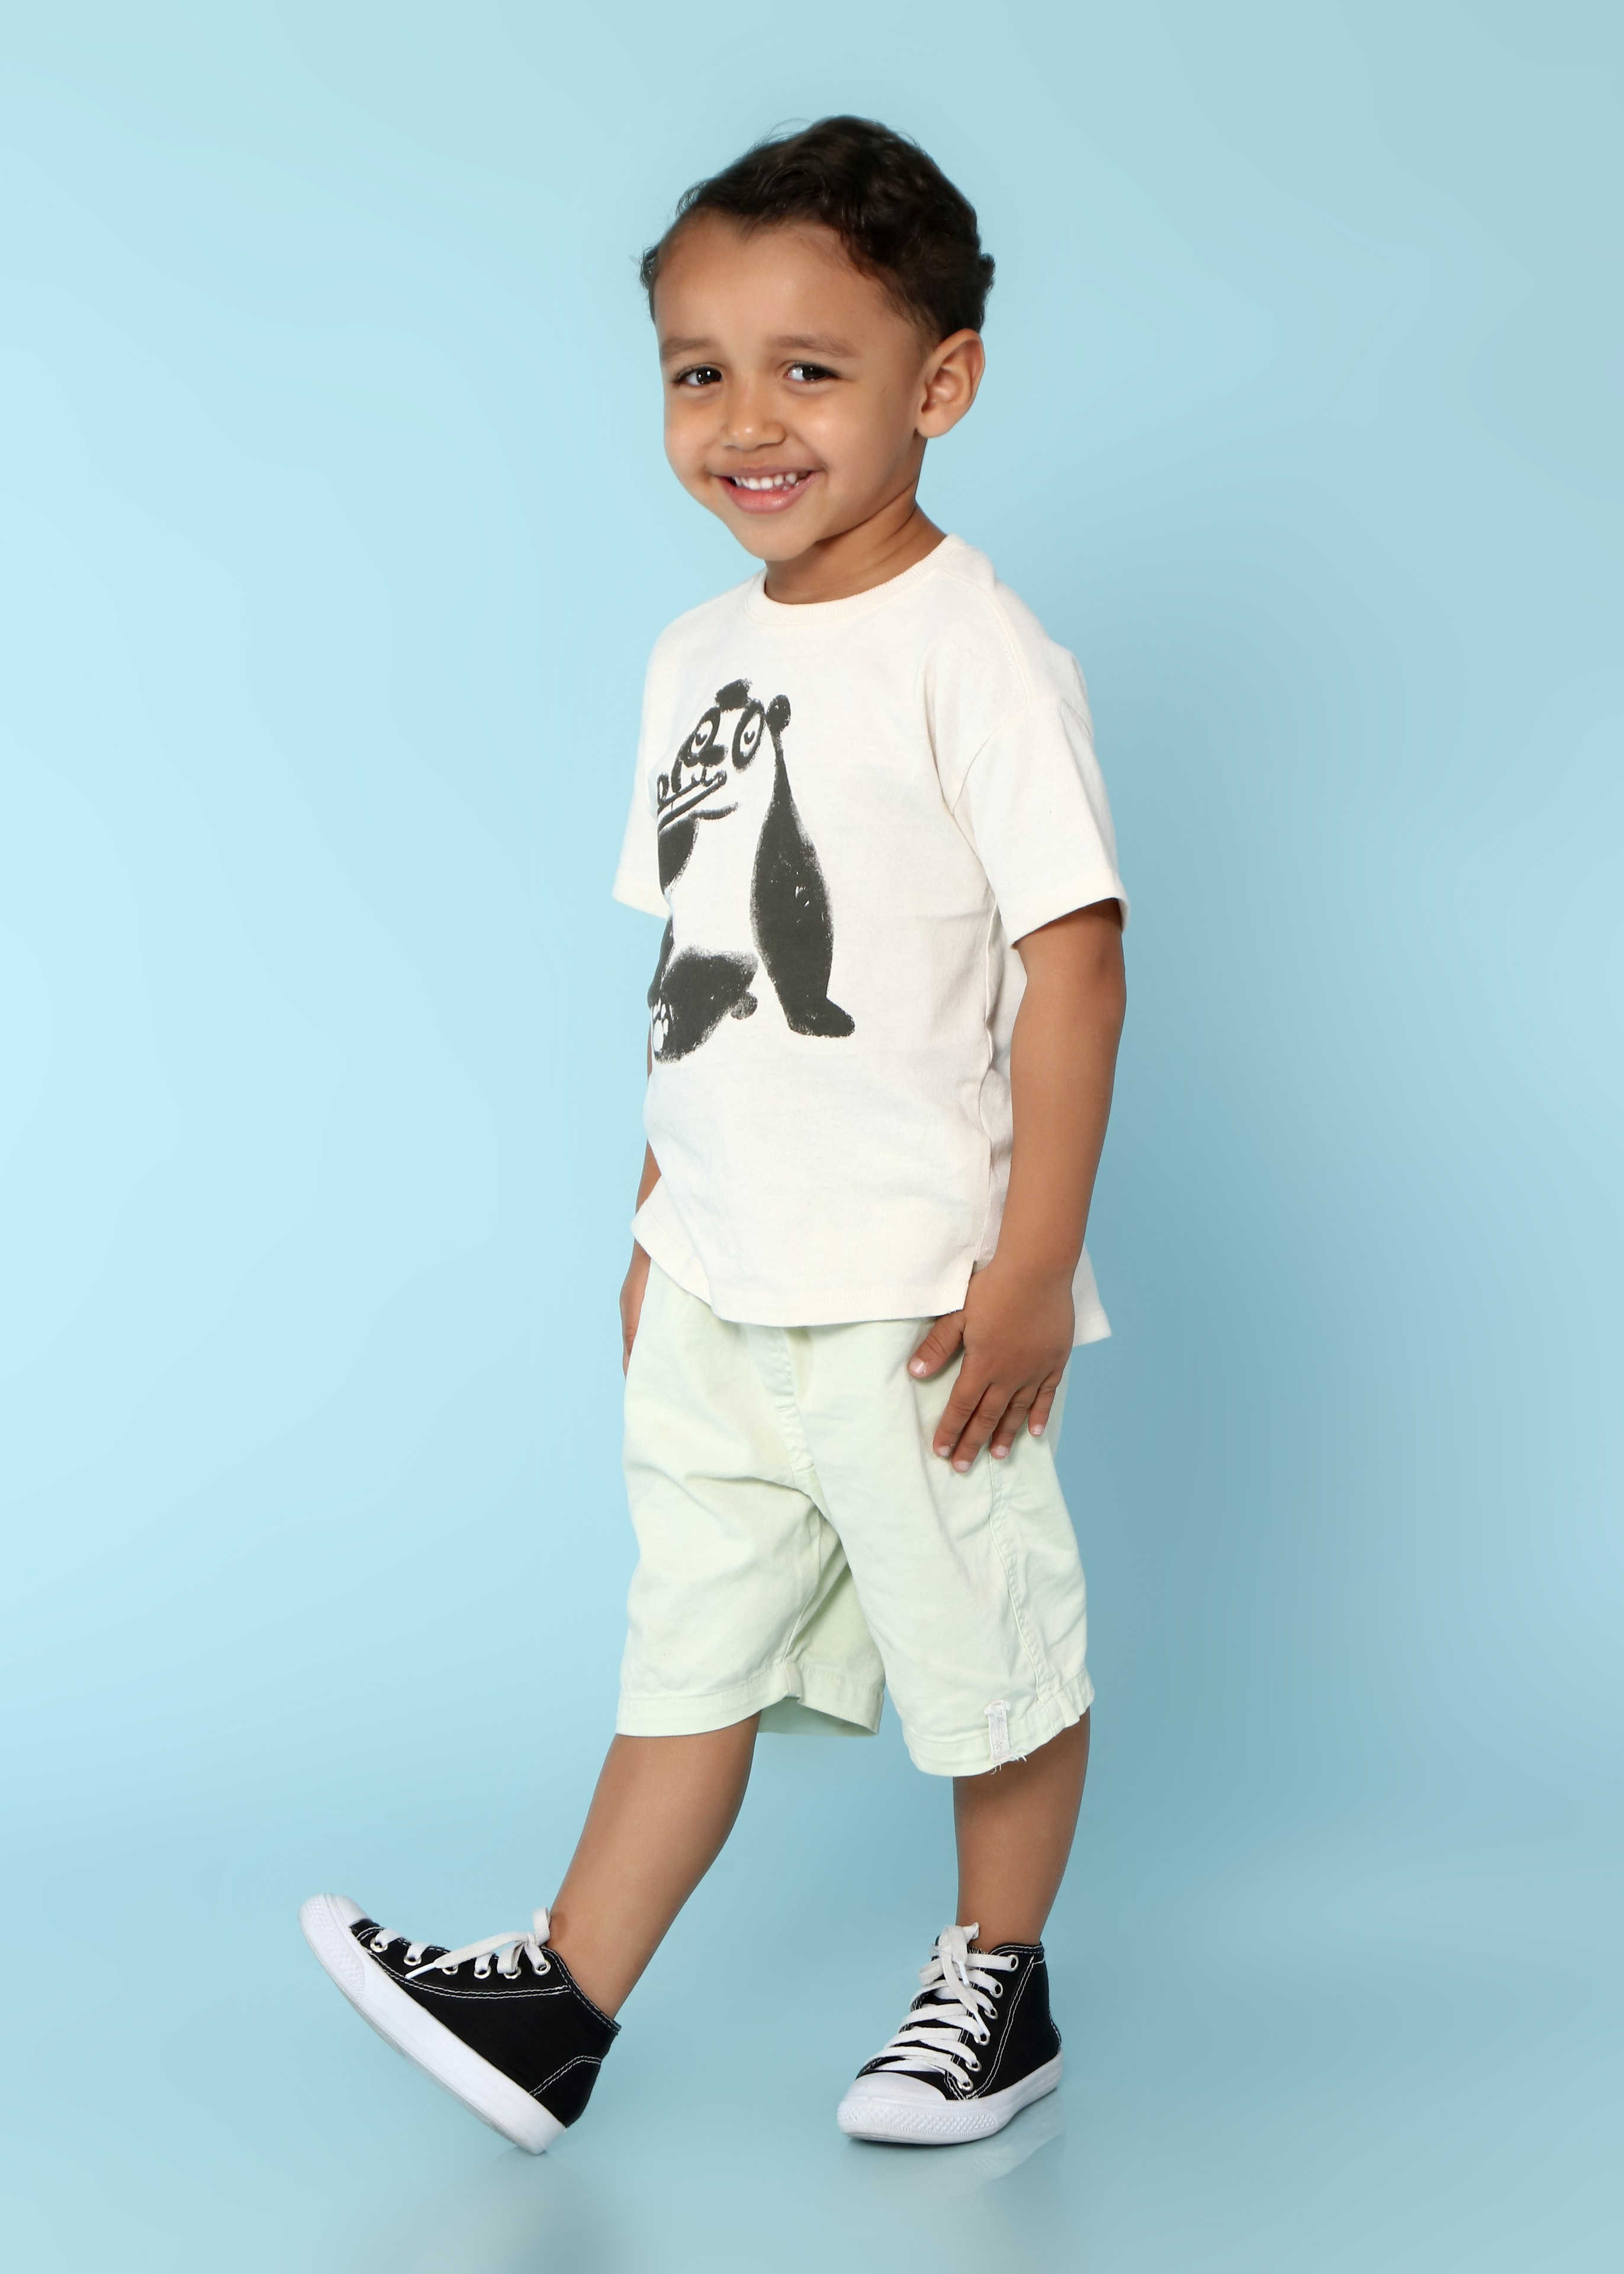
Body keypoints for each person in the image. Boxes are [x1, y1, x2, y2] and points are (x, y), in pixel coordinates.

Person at [301, 114, 1127, 2155]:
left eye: (809, 369)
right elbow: (697, 969)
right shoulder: (697, 655)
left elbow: (1079, 964)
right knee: (686, 1644)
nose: (747, 421)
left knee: (988, 1653)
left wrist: (1030, 1269)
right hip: (722, 1275)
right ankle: (561, 2007)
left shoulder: (980, 658)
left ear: (941, 384)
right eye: (699, 371)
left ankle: (998, 1986)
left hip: (917, 1292)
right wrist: (654, 1216)